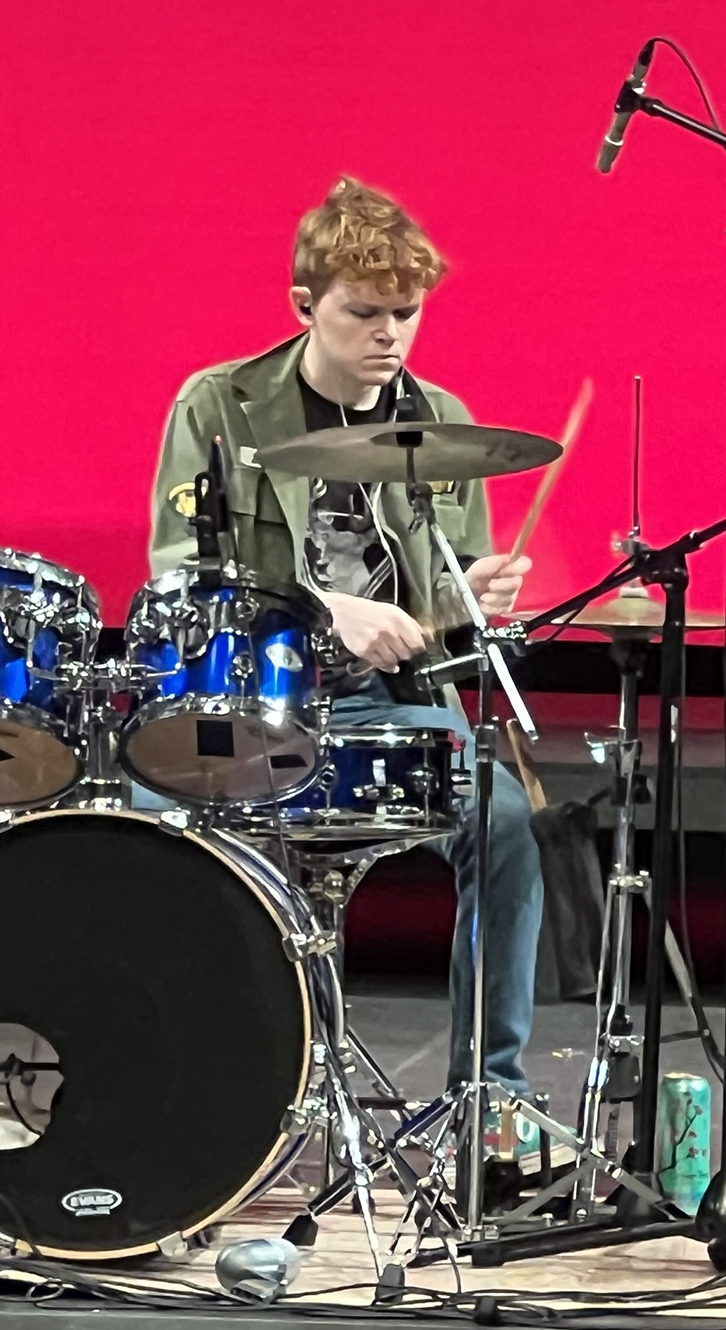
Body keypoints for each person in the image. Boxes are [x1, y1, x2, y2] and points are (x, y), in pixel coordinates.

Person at [150, 177, 544, 1113]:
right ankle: (209, 1106)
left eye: (405, 314)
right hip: (251, 702)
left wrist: (472, 593)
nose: (390, 335)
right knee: (151, 831)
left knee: (510, 822)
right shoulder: (222, 405)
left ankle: (488, 1104)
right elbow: (175, 574)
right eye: (364, 312)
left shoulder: (441, 420)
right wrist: (323, 610)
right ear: (304, 306)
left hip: (390, 705)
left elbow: (444, 595)